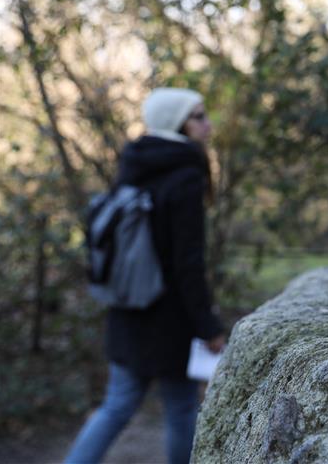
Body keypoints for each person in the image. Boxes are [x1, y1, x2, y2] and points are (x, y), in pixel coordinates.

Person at [65, 88, 226, 464]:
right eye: (198, 117)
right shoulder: (185, 174)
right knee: (182, 408)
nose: (208, 124)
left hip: (127, 308)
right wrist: (207, 325)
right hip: (169, 317)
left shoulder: (135, 162)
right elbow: (187, 262)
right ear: (177, 123)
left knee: (116, 406)